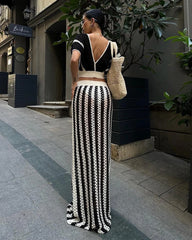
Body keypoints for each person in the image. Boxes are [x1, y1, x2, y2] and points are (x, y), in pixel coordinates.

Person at [67, 9, 113, 234]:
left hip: (84, 91)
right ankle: (100, 208)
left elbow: (74, 59)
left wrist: (75, 81)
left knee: (83, 148)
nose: (82, 25)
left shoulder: (81, 39)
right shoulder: (112, 45)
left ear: (93, 21)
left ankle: (85, 208)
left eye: (84, 21)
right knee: (101, 149)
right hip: (104, 93)